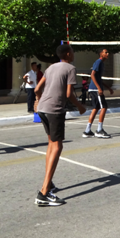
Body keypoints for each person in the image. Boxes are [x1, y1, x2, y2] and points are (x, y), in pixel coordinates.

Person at [34, 44, 86, 206]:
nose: (74, 54)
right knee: (57, 147)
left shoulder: (50, 68)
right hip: (54, 110)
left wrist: (38, 101)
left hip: (43, 108)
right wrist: (80, 106)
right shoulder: (70, 68)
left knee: (51, 144)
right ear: (68, 54)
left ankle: (48, 183)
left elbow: (37, 89)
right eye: (73, 52)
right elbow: (69, 94)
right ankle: (44, 193)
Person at [83, 48, 114, 138]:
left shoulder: (101, 63)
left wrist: (108, 88)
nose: (107, 53)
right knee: (104, 107)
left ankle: (87, 131)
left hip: (94, 89)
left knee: (96, 108)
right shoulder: (98, 62)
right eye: (105, 52)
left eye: (108, 52)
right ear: (101, 54)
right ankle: (99, 130)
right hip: (95, 89)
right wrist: (99, 88)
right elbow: (92, 75)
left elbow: (98, 78)